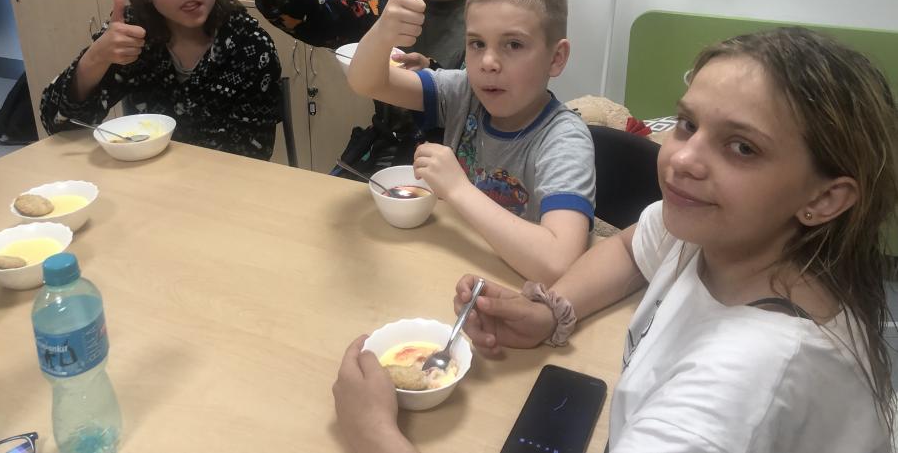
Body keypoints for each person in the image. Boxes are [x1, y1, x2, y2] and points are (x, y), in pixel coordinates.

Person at [334, 27, 897, 453]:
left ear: (825, 198)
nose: (682, 159)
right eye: (687, 125)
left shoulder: (739, 391)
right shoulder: (716, 235)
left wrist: (374, 435)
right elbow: (631, 247)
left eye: (742, 147)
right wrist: (552, 311)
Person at [348, 0, 595, 285]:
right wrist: (384, 32)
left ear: (556, 58)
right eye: (477, 44)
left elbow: (558, 264)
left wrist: (456, 189)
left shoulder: (564, 139)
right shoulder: (464, 92)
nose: (488, 62)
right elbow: (366, 82)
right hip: (455, 271)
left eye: (514, 44)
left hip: (515, 292)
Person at [251, 0, 478, 174]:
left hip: (459, 161)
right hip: (383, 153)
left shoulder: (487, 17)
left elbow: (492, 100)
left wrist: (432, 74)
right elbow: (325, 19)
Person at [41, 0, 282, 160]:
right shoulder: (133, 34)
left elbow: (253, 154)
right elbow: (58, 125)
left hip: (215, 180)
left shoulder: (249, 46)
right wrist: (96, 57)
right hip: (142, 174)